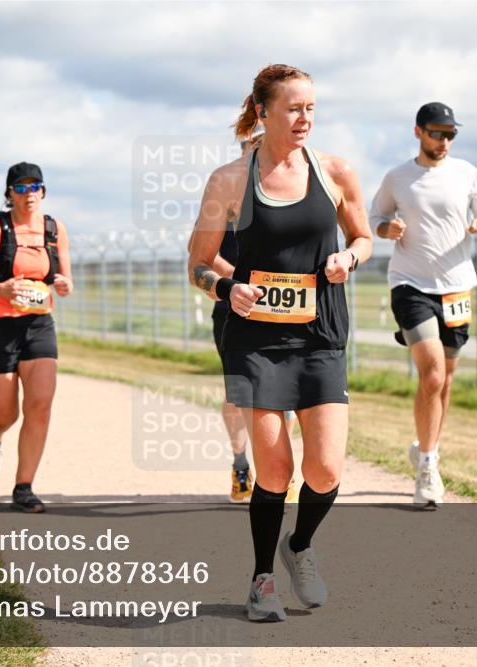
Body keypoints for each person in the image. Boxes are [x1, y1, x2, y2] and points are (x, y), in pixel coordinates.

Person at [188, 64, 372, 622]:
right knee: (273, 471)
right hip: (257, 342)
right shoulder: (229, 181)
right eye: (294, 108)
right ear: (263, 111)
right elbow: (196, 264)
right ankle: (262, 578)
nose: (305, 118)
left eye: (311, 107)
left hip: (320, 336)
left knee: (325, 470)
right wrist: (226, 288)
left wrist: (349, 257)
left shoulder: (336, 171)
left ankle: (300, 545)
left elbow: (363, 237)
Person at [369, 102, 477, 509]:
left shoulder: (468, 174)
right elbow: (375, 215)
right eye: (436, 133)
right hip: (410, 284)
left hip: (457, 288)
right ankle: (427, 468)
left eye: (450, 135)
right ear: (418, 132)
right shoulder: (398, 177)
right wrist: (386, 228)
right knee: (430, 374)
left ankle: (427, 447)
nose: (443, 141)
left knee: (445, 379)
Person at [0, 162, 74, 513]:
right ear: (9, 194)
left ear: (43, 191)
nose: (28, 194)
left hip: (38, 326)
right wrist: (0, 289)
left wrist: (64, 285)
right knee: (4, 414)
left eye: (34, 186)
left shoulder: (54, 229)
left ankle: (24, 486)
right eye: (20, 188)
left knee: (40, 403)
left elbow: (63, 279)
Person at [195, 133, 298, 504]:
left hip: (281, 308)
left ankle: (277, 471)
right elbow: (202, 253)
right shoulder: (227, 192)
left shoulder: (288, 191)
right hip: (233, 305)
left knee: (283, 390)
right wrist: (240, 283)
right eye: (250, 147)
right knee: (240, 391)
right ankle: (241, 463)